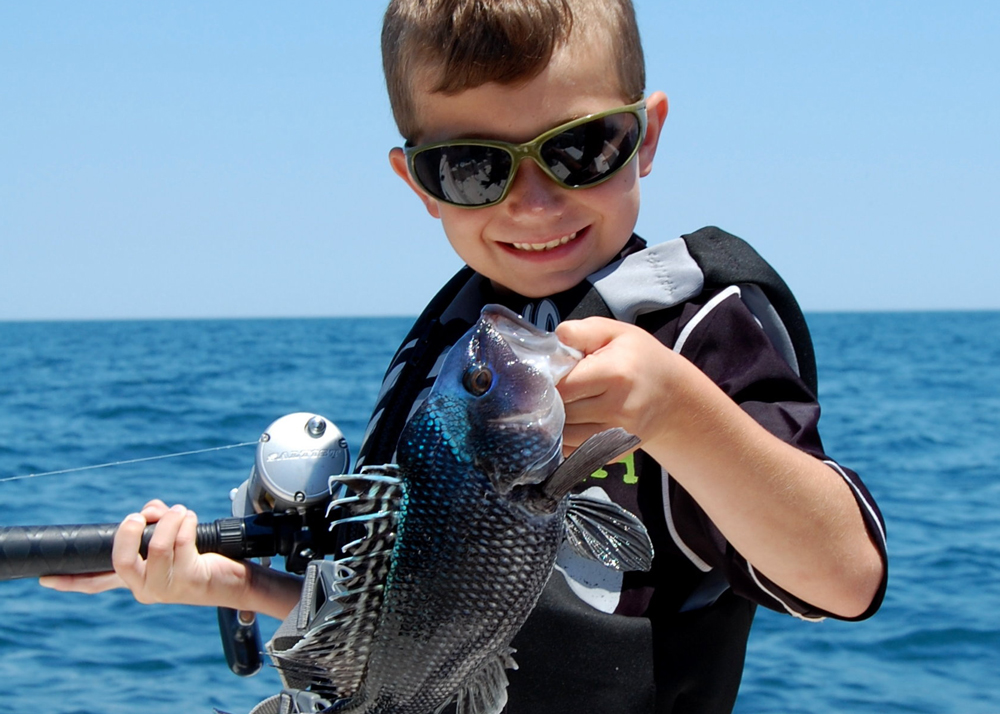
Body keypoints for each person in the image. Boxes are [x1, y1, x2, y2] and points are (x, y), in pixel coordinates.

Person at [42, 1, 888, 712]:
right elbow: (417, 620)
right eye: (474, 169)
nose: (534, 203)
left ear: (647, 135)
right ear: (418, 183)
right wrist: (232, 587)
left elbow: (846, 578)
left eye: (581, 148)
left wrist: (675, 412)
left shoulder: (698, 334)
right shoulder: (451, 351)